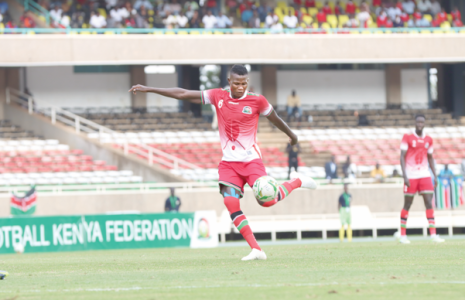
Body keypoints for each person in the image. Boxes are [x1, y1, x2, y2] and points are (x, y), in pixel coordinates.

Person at [129, 64, 317, 261]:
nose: (240, 87)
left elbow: (275, 118)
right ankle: (256, 249)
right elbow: (184, 93)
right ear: (229, 82)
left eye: (244, 83)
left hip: (251, 161)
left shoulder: (257, 100)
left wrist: (292, 135)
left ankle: (297, 181)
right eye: (236, 83)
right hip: (229, 164)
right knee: (230, 202)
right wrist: (149, 89)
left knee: (267, 202)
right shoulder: (218, 96)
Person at [399, 114, 444, 244]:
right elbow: (402, 157)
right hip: (411, 175)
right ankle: (403, 235)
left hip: (424, 174)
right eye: (418, 122)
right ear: (415, 122)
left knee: (429, 203)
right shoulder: (407, 137)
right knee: (408, 204)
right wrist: (405, 175)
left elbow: (430, 157)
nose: (420, 124)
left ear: (424, 123)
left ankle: (433, 234)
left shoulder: (429, 139)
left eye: (422, 122)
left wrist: (434, 175)